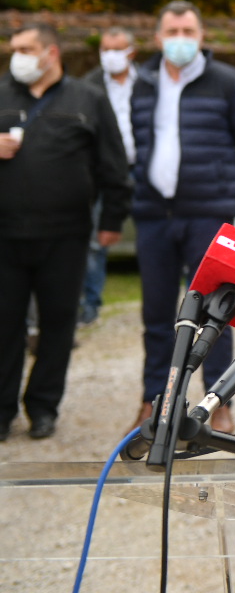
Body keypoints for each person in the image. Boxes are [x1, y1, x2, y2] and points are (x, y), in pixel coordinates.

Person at [129, 1, 235, 434]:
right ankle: (154, 400)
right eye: (172, 31)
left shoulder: (230, 82)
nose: (180, 39)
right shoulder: (143, 83)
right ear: (157, 37)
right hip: (155, 214)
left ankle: (217, 402)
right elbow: (138, 140)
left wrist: (219, 184)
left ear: (201, 36)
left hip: (208, 213)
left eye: (188, 31)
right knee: (156, 313)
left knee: (214, 313)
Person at [0, 23, 130, 440]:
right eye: (14, 49)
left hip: (66, 235)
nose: (17, 57)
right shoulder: (2, 94)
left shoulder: (88, 99)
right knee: (5, 325)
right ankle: (2, 410)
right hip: (6, 234)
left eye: (26, 49)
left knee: (58, 325)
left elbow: (113, 164)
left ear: (51, 53)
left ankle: (43, 406)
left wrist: (111, 221)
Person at [81, 26, 139, 326]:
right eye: (106, 49)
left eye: (117, 49)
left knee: (159, 236)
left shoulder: (150, 82)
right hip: (104, 173)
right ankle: (89, 307)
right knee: (95, 239)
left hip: (144, 169)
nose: (111, 55)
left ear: (132, 52)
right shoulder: (88, 86)